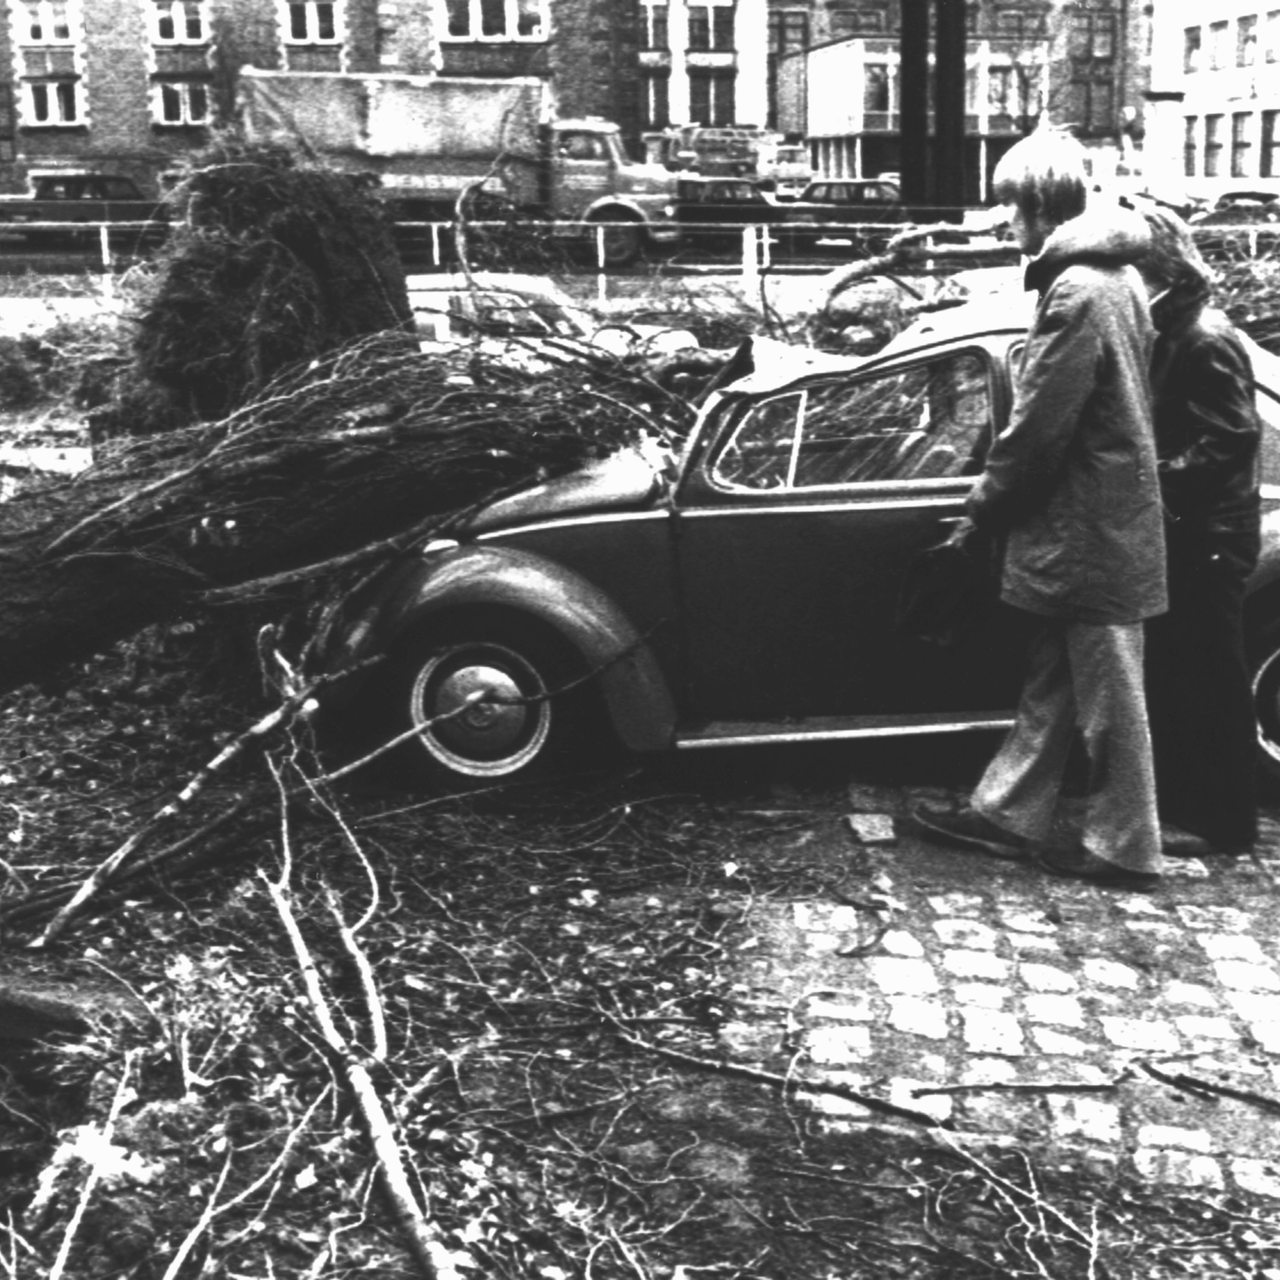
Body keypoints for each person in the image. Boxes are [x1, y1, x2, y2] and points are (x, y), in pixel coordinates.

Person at [913, 128, 1168, 891]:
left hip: (1089, 525)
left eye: (1009, 210)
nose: (1005, 225)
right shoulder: (1115, 279)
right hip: (1102, 519)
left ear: (1035, 206)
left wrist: (983, 508)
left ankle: (1127, 846)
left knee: (1109, 694)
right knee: (1056, 678)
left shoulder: (1078, 290)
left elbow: (1038, 431)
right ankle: (1006, 813)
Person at [1138, 207, 1262, 858]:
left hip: (1211, 534)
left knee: (1211, 678)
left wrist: (1152, 479)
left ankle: (1224, 821)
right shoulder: (1173, 326)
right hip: (1191, 530)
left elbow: (1231, 437)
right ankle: (1192, 804)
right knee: (1185, 673)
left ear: (1159, 268)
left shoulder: (1204, 336)